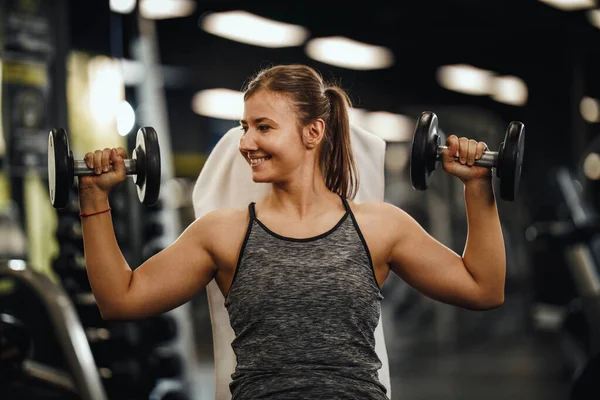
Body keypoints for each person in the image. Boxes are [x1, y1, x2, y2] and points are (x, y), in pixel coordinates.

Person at [78, 64, 506, 399]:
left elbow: (484, 288)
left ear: (313, 132)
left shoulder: (378, 226)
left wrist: (478, 186)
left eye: (263, 127)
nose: (245, 142)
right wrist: (94, 200)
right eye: (245, 126)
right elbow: (120, 299)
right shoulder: (222, 233)